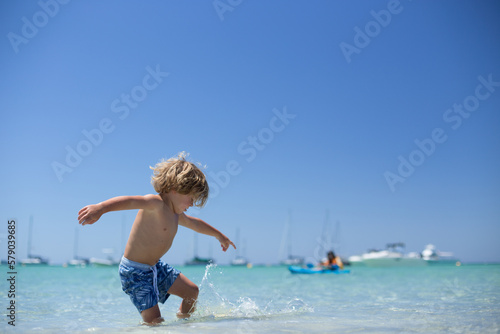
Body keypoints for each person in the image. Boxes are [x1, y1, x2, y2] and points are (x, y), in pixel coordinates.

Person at [77, 152, 235, 325]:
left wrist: (220, 236)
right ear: (175, 189)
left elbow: (196, 224)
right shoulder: (156, 204)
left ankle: (185, 323)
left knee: (192, 292)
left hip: (156, 267)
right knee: (155, 322)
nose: (191, 204)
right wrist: (100, 208)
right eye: (191, 198)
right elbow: (129, 201)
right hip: (135, 272)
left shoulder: (177, 214)